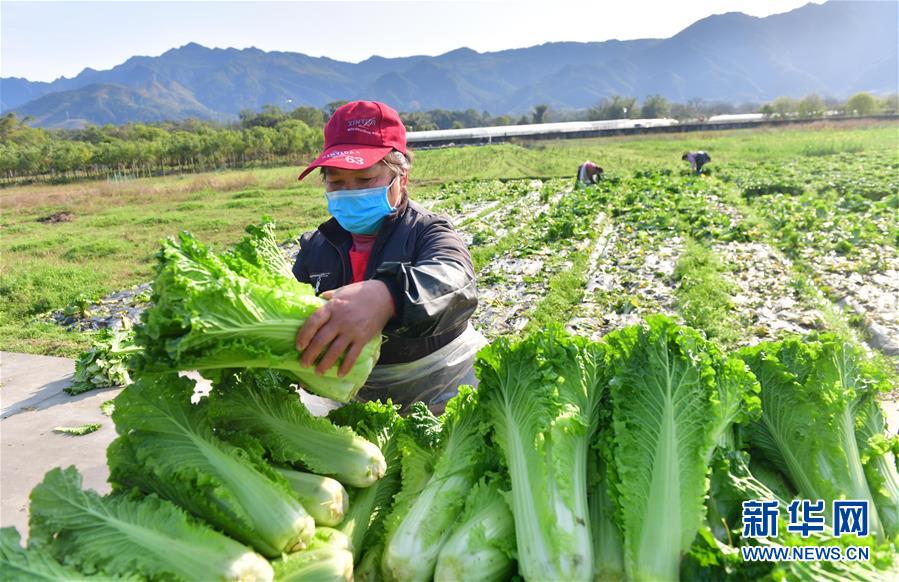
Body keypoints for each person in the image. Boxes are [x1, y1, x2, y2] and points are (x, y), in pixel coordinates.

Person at [292, 100, 483, 414]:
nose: (349, 192)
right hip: (348, 402)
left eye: (365, 180)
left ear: (402, 177)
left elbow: (455, 280)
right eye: (336, 182)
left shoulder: (427, 232)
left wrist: (389, 294)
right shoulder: (316, 247)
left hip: (440, 394)